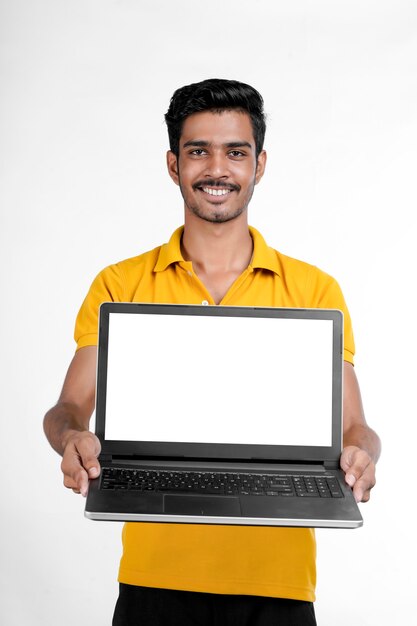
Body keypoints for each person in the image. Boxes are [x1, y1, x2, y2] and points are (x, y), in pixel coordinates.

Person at [43, 78, 381, 626]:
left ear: (260, 164)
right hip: (154, 581)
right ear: (174, 165)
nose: (217, 169)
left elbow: (356, 429)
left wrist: (365, 454)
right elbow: (67, 409)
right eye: (199, 151)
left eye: (236, 152)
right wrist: (72, 436)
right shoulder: (121, 283)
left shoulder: (315, 290)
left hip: (278, 586)